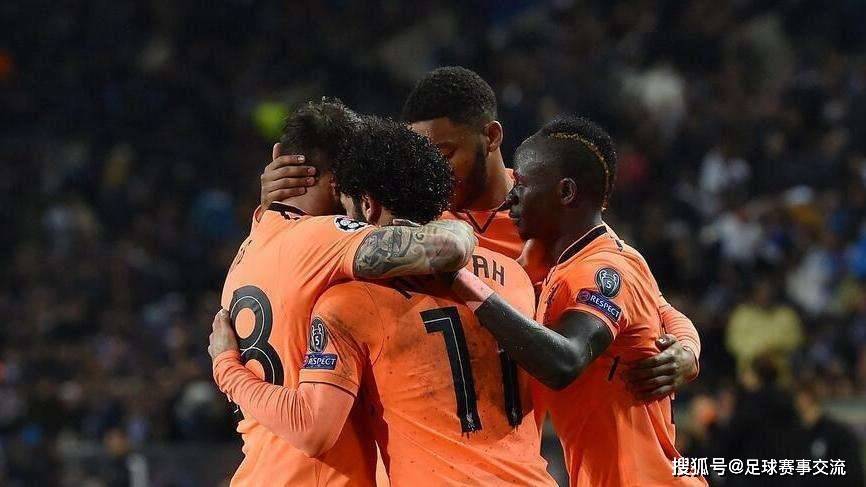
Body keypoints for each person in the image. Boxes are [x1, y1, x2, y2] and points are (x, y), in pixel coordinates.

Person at [259, 66, 701, 400]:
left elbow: (643, 296)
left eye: (444, 152)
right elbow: (310, 254)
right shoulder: (418, 222)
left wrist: (686, 350)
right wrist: (275, 205)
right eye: (422, 155)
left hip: (531, 433)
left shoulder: (547, 211)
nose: (431, 168)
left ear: (490, 136)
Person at [210, 115, 556, 485]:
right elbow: (445, 247)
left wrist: (226, 368)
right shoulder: (515, 276)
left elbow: (312, 426)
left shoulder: (262, 250)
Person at [449, 116, 706, 486]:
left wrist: (461, 282)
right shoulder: (584, 256)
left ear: (566, 192)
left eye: (522, 184)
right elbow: (666, 310)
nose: (510, 197)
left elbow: (565, 360)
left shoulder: (601, 269)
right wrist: (689, 347)